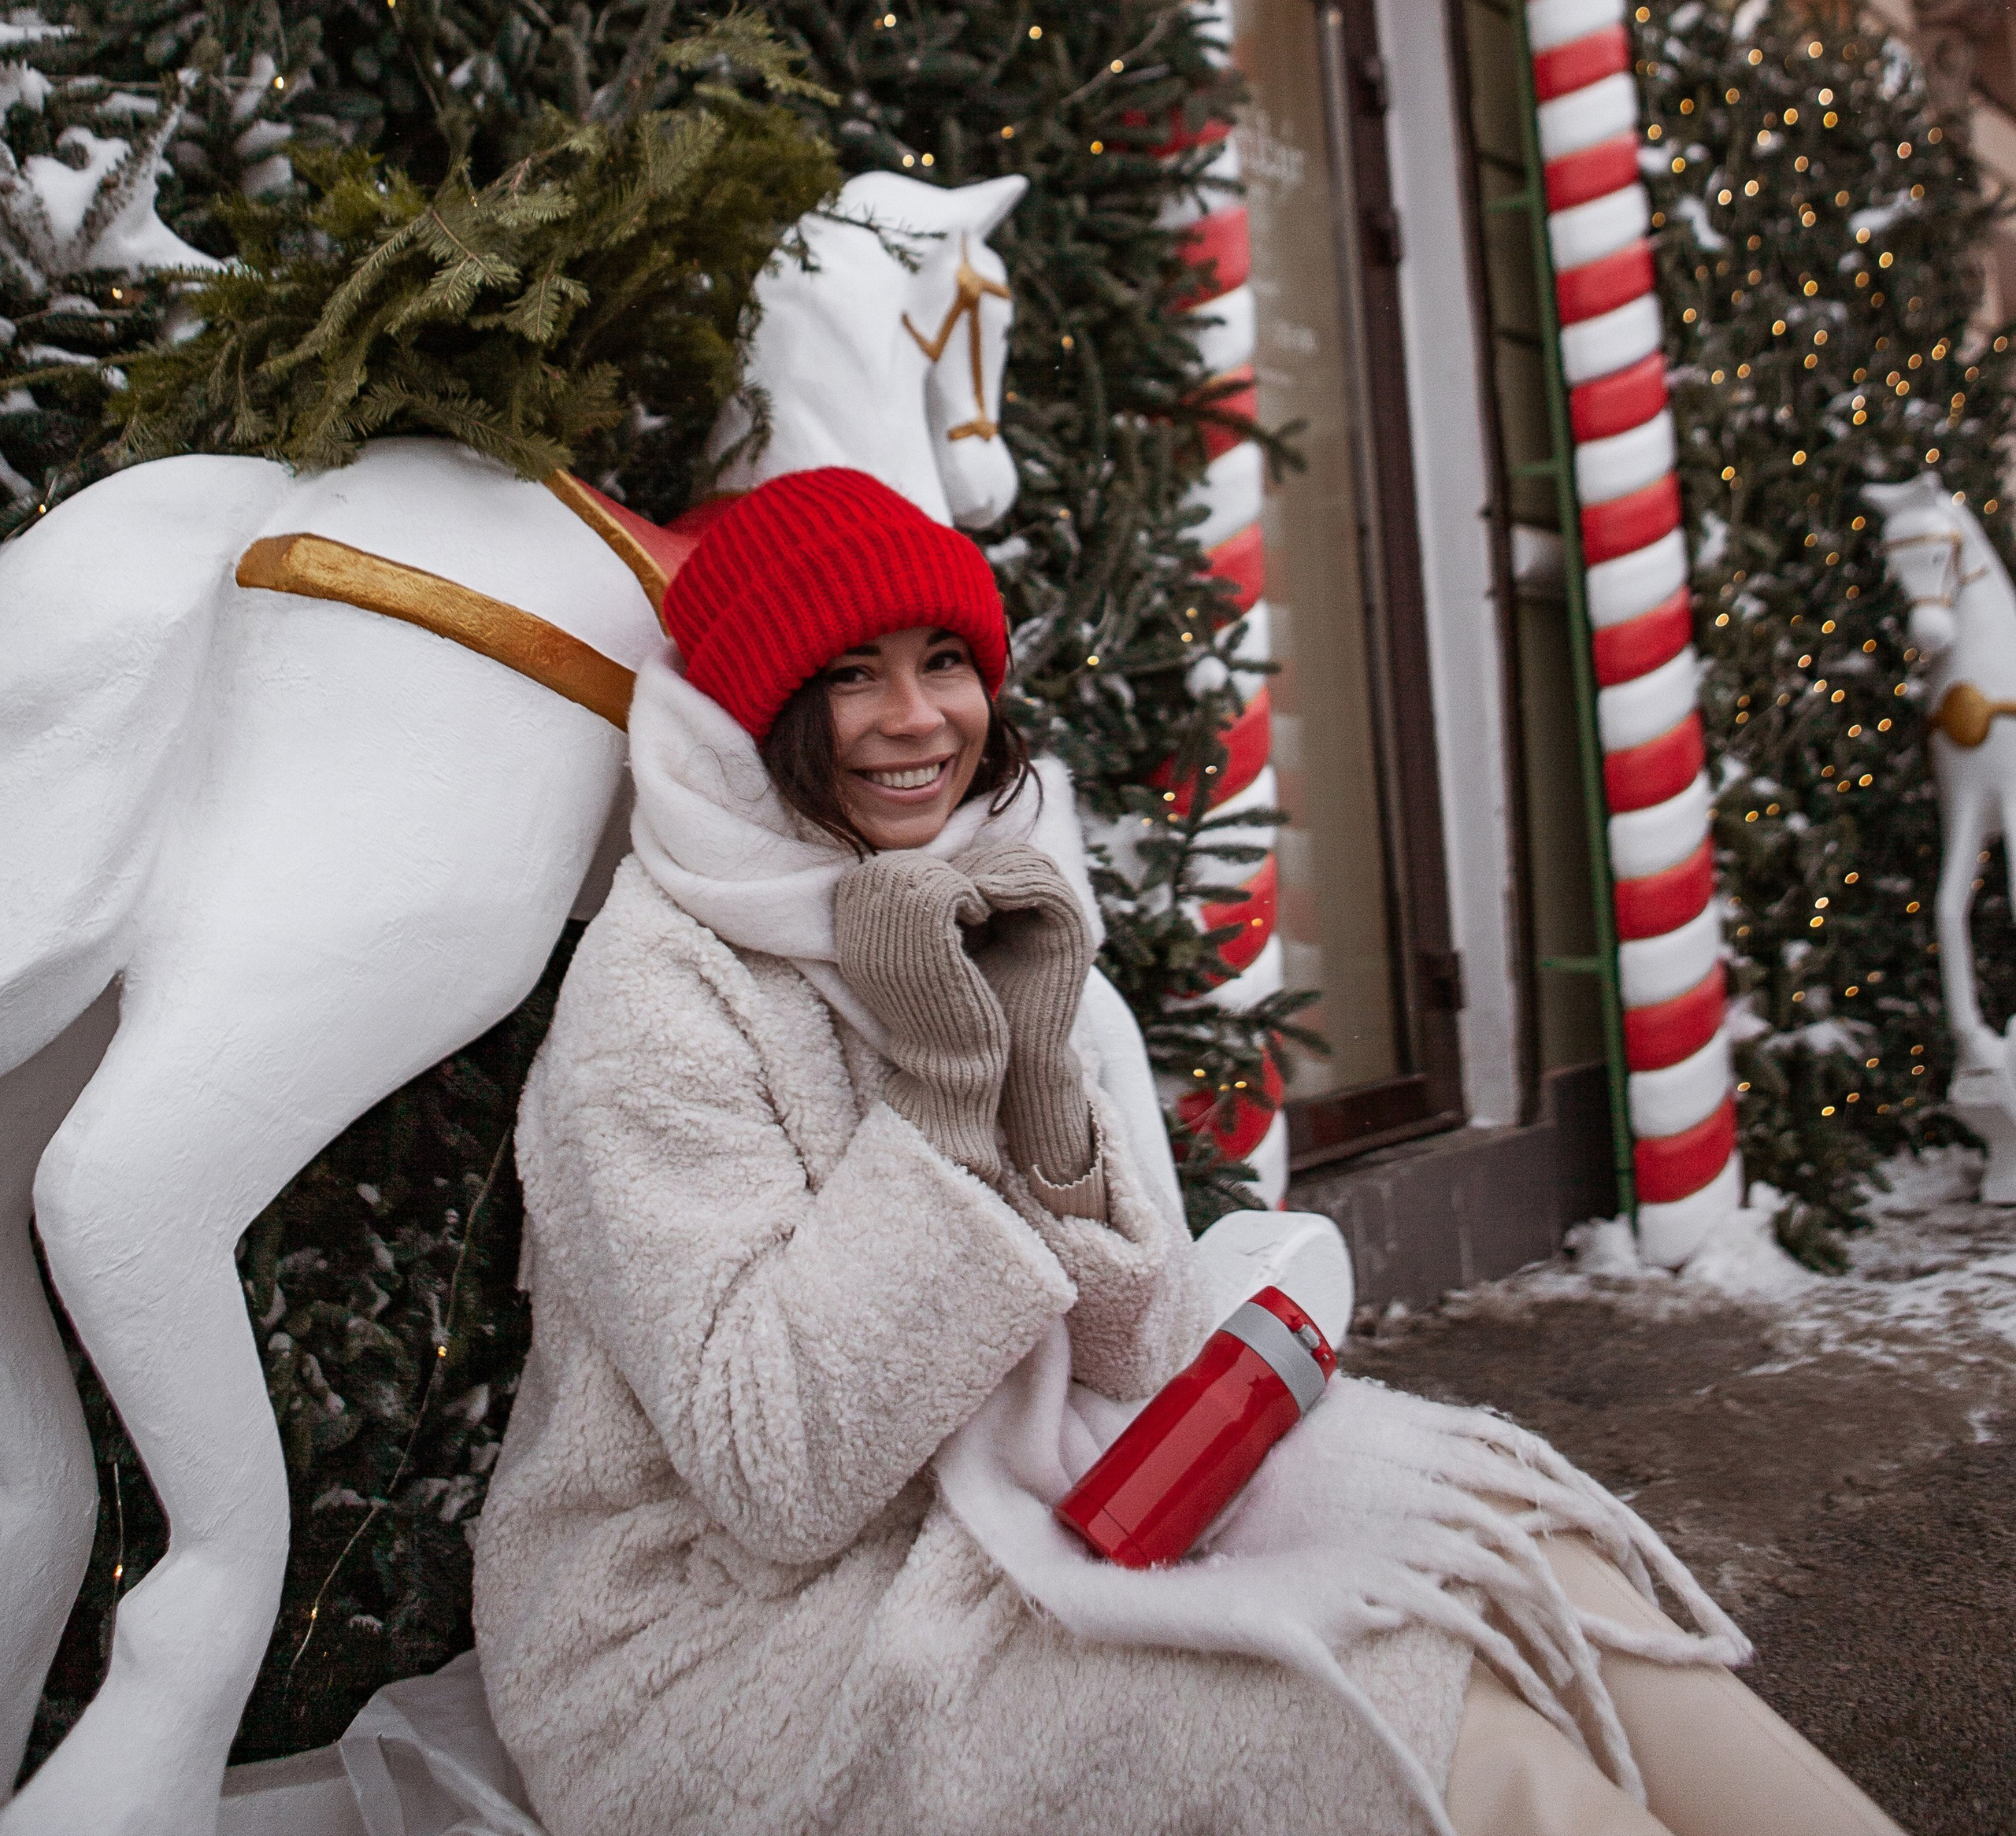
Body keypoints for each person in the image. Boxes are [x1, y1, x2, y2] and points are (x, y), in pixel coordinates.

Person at [472, 468, 1903, 1836]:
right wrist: (947, 1104)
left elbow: (1140, 1356)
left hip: (1046, 1486)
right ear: (761, 708)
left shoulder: (1002, 902)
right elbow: (775, 1473)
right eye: (850, 675)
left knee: (1518, 1548)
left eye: (942, 662)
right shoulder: (659, 994)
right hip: (727, 1642)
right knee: (1396, 1711)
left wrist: (1045, 1094)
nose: (915, 720)